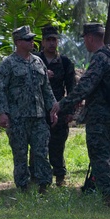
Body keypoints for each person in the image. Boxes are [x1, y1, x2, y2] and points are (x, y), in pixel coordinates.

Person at [51, 23, 110, 206]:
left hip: (99, 117)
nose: (85, 42)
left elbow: (85, 86)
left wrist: (60, 105)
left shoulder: (100, 58)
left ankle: (107, 196)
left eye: (85, 38)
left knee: (99, 156)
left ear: (90, 38)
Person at [0, 26, 58, 194]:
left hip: (38, 117)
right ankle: (23, 187)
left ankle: (43, 186)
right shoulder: (8, 64)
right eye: (28, 39)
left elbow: (46, 89)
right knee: (20, 154)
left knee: (41, 152)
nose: (32, 42)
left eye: (32, 39)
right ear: (18, 42)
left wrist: (53, 109)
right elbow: (0, 89)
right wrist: (2, 113)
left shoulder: (38, 62)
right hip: (18, 119)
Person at [33, 25, 77, 186]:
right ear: (43, 42)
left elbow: (71, 87)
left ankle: (59, 175)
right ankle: (36, 176)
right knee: (38, 144)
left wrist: (71, 110)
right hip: (38, 109)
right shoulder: (35, 60)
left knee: (58, 144)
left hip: (59, 109)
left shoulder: (65, 62)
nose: (52, 43)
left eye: (54, 39)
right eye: (48, 40)